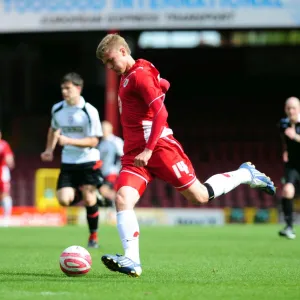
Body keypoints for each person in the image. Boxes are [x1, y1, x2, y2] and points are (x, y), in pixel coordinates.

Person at [95, 33, 276, 277]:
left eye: (110, 60)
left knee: (199, 196)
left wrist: (149, 149)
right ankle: (132, 260)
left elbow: (161, 113)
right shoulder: (133, 73)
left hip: (158, 148)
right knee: (122, 199)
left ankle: (245, 173)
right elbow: (163, 85)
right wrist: (161, 87)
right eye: (105, 64)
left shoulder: (139, 75)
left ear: (124, 52)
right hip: (134, 154)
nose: (109, 67)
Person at [41, 72, 103, 248]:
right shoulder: (57, 109)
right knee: (63, 200)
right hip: (68, 162)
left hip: (88, 160)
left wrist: (68, 141)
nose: (64, 91)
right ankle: (86, 192)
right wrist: (48, 150)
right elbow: (53, 130)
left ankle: (93, 237)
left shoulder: (89, 111)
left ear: (78, 88)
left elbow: (94, 140)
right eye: (62, 88)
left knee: (90, 200)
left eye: (68, 88)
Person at [278, 97, 300, 239]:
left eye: (294, 107)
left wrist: (296, 137)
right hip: (292, 165)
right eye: (288, 108)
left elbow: (293, 137)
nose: (291, 110)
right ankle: (289, 227)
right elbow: (284, 139)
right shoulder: (283, 123)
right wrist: (285, 150)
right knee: (287, 190)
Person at [97, 120, 124, 206]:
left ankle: (124, 201)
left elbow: (122, 156)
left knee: (103, 190)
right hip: (103, 173)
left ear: (110, 129)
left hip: (113, 172)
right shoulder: (101, 144)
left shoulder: (116, 141)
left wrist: (120, 170)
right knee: (100, 192)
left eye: (103, 129)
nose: (102, 131)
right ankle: (119, 201)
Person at [0, 129, 15, 226]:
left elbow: (9, 159)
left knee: (4, 194)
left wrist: (10, 162)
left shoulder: (3, 144)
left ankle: (6, 218)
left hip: (2, 171)